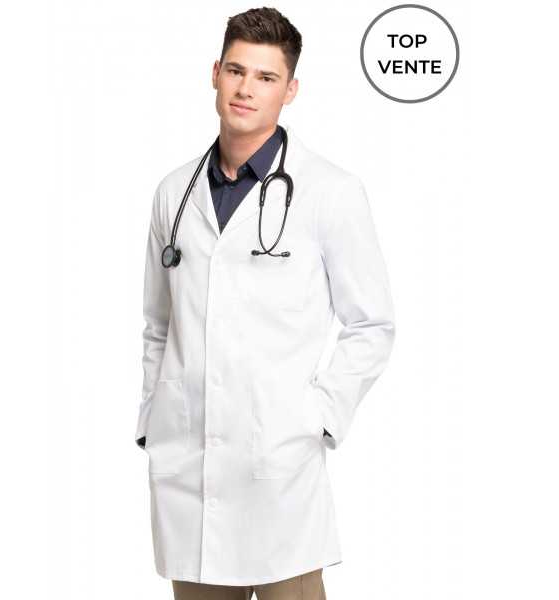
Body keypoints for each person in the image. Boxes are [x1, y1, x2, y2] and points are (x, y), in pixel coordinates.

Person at [135, 7, 396, 599]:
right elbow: (158, 323)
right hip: (188, 475)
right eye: (236, 71)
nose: (246, 89)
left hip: (280, 473)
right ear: (215, 74)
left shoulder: (330, 191)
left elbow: (372, 323)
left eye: (266, 77)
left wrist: (317, 416)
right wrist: (154, 418)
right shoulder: (174, 192)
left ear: (290, 89)